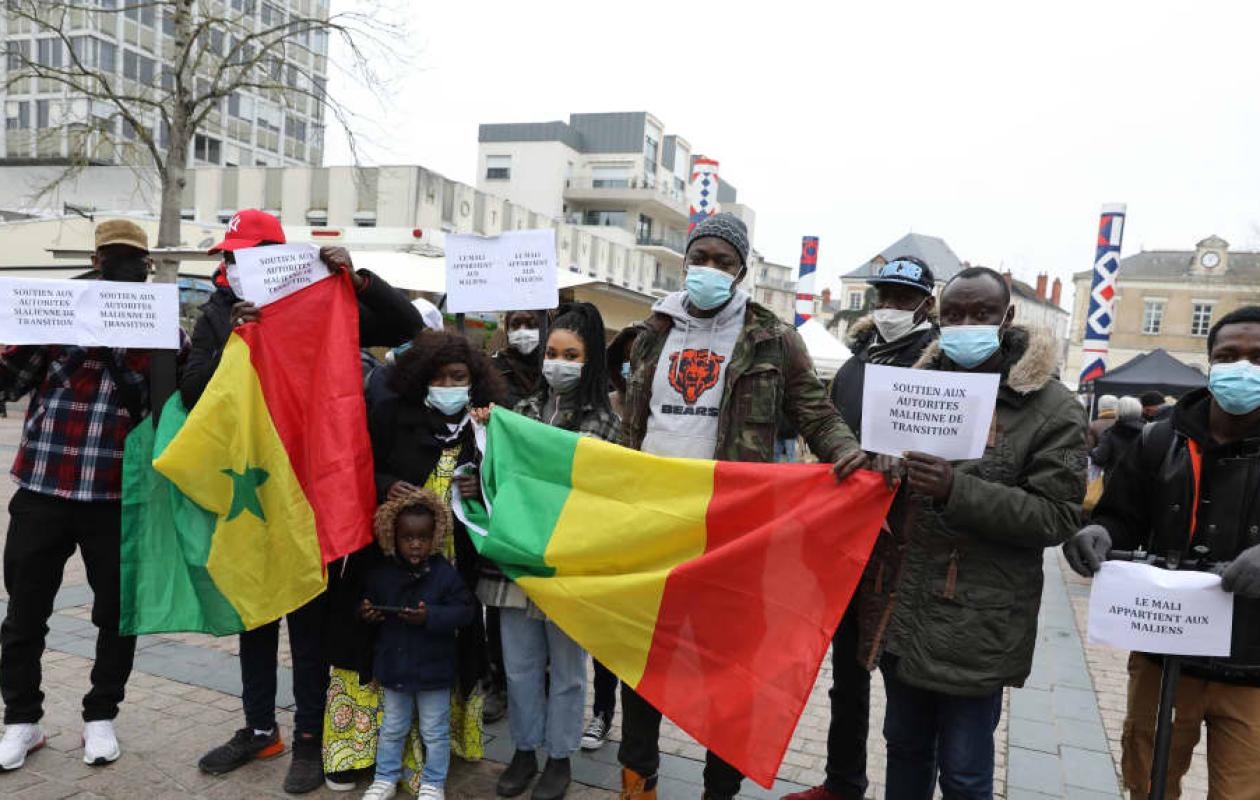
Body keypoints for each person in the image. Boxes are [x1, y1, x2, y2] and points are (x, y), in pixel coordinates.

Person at [617, 211, 867, 800]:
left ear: (742, 270)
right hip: (653, 519)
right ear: (685, 262)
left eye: (722, 262)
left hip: (734, 529)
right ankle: (638, 781)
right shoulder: (652, 330)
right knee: (641, 654)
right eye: (699, 258)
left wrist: (849, 455)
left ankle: (718, 791)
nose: (708, 270)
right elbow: (630, 423)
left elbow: (816, 412)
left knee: (729, 668)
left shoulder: (772, 337)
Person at [189, 209, 422, 794]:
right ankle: (258, 726)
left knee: (310, 620)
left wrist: (359, 278)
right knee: (256, 613)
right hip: (253, 485)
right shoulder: (218, 314)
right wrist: (234, 345)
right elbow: (193, 390)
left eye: (245, 254)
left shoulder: (326, 292)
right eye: (229, 256)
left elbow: (406, 325)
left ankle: (312, 739)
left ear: (276, 255)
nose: (233, 264)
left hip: (315, 482)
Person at [864, 266, 1086, 800]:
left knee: (964, 772)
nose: (965, 324)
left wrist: (955, 491)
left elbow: (1056, 516)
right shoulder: (914, 386)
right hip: (906, 606)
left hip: (978, 620)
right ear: (937, 320)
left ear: (1006, 318)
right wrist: (873, 467)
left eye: (981, 313)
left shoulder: (1052, 406)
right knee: (905, 751)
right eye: (954, 314)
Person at [1064, 305, 1260, 800]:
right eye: (1229, 355)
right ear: (1210, 362)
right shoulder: (1161, 439)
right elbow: (1120, 515)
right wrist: (1099, 533)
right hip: (1164, 650)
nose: (1243, 367)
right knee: (1147, 783)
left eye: (1258, 357)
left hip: (1254, 671)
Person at [0, 220, 169, 771]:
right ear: (98, 262)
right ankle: (22, 719)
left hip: (117, 497)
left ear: (146, 267)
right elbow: (9, 382)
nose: (127, 267)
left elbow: (172, 400)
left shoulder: (158, 323)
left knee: (117, 615)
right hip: (44, 488)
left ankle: (101, 716)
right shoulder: (54, 311)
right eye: (115, 258)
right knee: (25, 614)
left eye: (135, 260)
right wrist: (27, 321)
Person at [322, 329, 504, 792]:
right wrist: (387, 485)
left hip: (449, 570)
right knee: (370, 647)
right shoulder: (393, 416)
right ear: (421, 379)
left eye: (458, 376)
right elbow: (359, 466)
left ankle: (431, 760)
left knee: (437, 652)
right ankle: (355, 752)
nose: (449, 384)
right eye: (439, 376)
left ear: (474, 379)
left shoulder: (486, 427)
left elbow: (503, 489)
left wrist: (479, 486)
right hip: (386, 563)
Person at [785, 255, 939, 800]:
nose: (891, 307)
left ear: (926, 302)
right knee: (846, 679)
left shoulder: (942, 367)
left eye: (902, 297)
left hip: (912, 549)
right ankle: (843, 782)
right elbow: (831, 432)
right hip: (850, 544)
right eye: (884, 297)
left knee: (905, 689)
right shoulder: (855, 363)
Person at [488, 303, 620, 800]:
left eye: (571, 354)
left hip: (569, 567)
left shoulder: (606, 422)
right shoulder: (519, 413)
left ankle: (559, 758)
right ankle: (524, 750)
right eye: (552, 352)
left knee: (567, 673)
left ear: (590, 363)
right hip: (519, 562)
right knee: (519, 665)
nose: (557, 362)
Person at [359, 488, 475, 800]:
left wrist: (430, 617)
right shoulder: (382, 574)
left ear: (434, 536)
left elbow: (465, 611)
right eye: (408, 537)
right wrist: (369, 613)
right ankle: (385, 778)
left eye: (422, 537)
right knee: (393, 727)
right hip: (395, 668)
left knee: (435, 732)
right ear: (392, 536)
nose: (415, 544)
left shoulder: (444, 574)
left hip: (434, 670)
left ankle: (434, 783)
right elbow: (369, 605)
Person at [483, 309, 546, 725]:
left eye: (531, 322)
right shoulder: (491, 371)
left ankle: (542, 679)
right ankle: (499, 682)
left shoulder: (556, 367)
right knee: (498, 598)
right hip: (503, 495)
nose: (523, 332)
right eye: (515, 323)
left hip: (543, 502)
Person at [1089, 396, 1143, 481]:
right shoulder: (1148, 431)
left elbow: (1100, 458)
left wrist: (1091, 452)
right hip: (1141, 481)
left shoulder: (1111, 433)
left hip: (1114, 482)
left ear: (1119, 411)